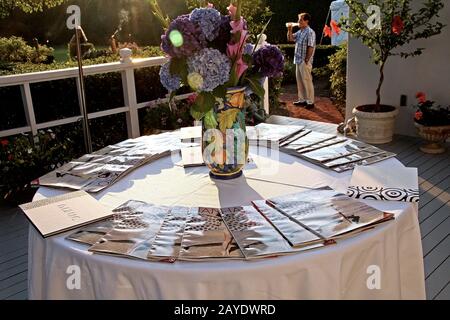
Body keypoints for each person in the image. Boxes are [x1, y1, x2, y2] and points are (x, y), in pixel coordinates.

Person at [287, 13, 316, 109]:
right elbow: (290, 39)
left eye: (300, 20)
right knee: (300, 81)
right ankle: (302, 100)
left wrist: (307, 59)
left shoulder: (310, 32)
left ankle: (310, 102)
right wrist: (289, 29)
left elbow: (311, 46)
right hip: (298, 60)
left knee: (307, 81)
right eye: (299, 19)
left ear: (306, 21)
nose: (298, 21)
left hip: (304, 61)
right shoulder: (300, 32)